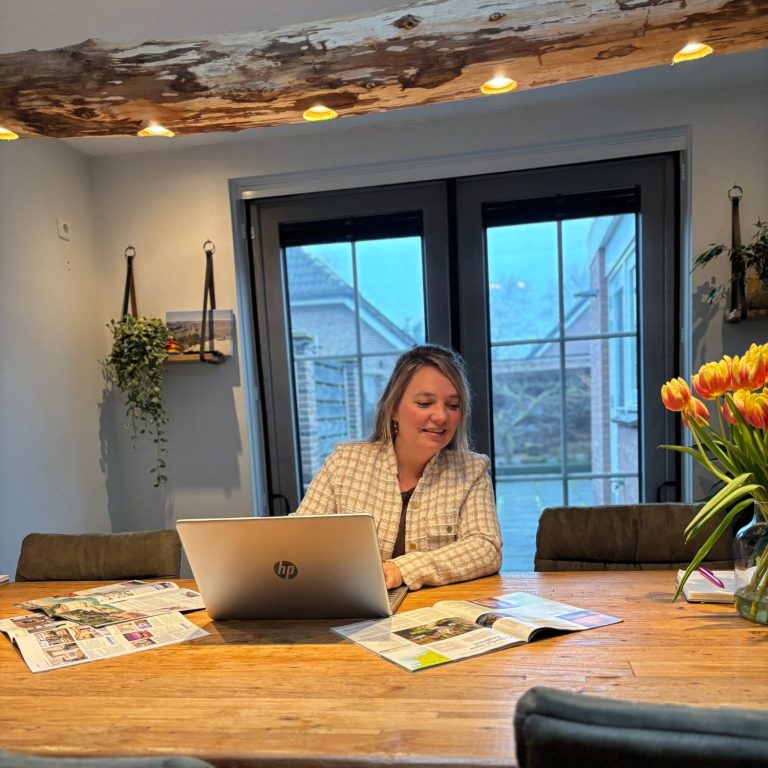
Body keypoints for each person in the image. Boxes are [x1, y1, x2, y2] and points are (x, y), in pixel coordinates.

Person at [294, 344, 502, 590]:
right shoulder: (344, 463)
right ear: (393, 409)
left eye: (453, 405)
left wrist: (404, 569)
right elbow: (300, 539)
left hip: (434, 617)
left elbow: (485, 548)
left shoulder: (472, 470)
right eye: (425, 403)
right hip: (354, 613)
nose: (441, 416)